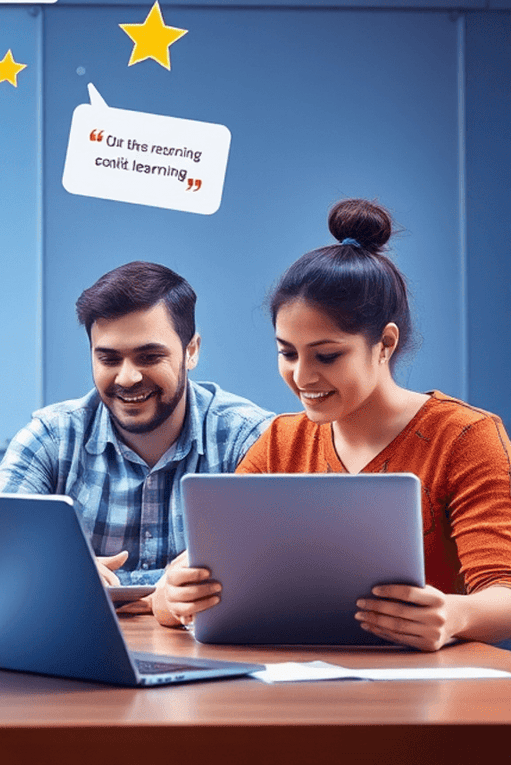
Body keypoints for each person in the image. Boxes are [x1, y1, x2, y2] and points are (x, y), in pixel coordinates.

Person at [153, 199, 511, 650]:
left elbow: (504, 593)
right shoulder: (281, 441)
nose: (302, 377)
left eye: (326, 356)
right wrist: (171, 598)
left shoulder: (463, 437)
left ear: (385, 343)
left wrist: (455, 616)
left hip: (430, 679)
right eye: (287, 353)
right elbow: (192, 576)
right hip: (295, 676)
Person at [0, 261, 272, 587]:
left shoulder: (250, 438)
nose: (127, 377)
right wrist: (57, 568)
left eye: (149, 357)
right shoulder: (51, 438)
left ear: (191, 352)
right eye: (108, 359)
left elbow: (280, 570)